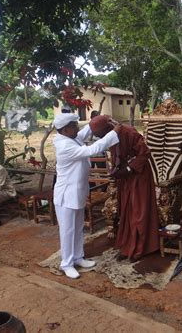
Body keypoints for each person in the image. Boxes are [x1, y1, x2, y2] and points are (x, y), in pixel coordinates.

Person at [53, 113, 121, 279]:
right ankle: (66, 264)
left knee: (77, 228)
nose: (78, 128)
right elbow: (92, 149)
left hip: (76, 193)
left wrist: (100, 121)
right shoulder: (65, 146)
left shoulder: (70, 138)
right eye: (74, 125)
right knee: (68, 231)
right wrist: (114, 133)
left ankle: (77, 257)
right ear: (66, 129)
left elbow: (84, 133)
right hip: (66, 196)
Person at [89, 115, 160, 262]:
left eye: (100, 135)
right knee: (126, 210)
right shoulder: (112, 134)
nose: (101, 139)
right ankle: (127, 246)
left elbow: (145, 153)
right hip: (125, 179)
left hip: (139, 176)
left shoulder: (128, 132)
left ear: (107, 129)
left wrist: (128, 169)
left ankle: (140, 248)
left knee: (138, 212)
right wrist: (116, 170)